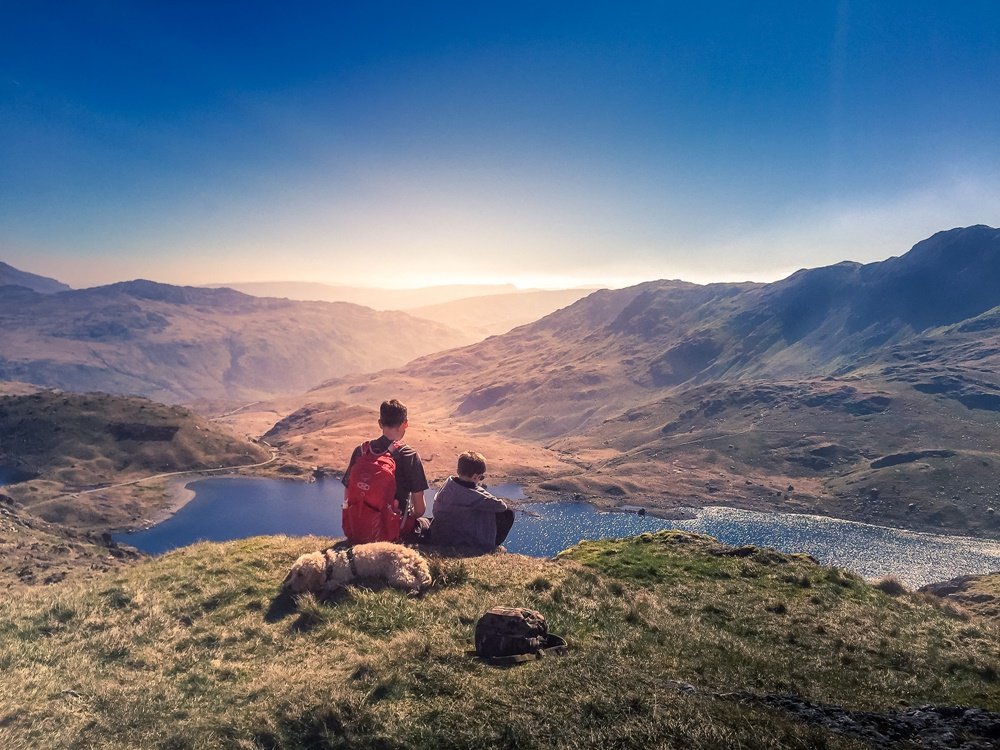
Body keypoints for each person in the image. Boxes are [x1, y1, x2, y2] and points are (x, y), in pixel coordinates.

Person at [343, 399, 429, 542]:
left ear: (380, 423)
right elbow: (419, 510)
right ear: (405, 423)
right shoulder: (409, 455)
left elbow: (348, 494)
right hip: (393, 531)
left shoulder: (362, 451)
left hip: (356, 528)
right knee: (427, 524)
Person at [429, 451, 514, 554]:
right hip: (458, 540)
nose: (480, 480)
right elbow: (501, 506)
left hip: (438, 533)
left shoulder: (448, 484)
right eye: (481, 477)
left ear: (458, 470)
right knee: (508, 513)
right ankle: (493, 547)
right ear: (475, 477)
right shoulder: (473, 495)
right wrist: (479, 490)